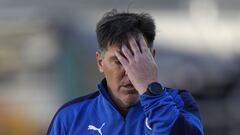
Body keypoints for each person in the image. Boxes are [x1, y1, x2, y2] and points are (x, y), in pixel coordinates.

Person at [47, 9, 204, 135]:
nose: (130, 73)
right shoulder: (69, 118)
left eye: (138, 61)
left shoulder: (180, 102)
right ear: (100, 62)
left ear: (152, 59)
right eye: (119, 61)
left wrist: (151, 93)